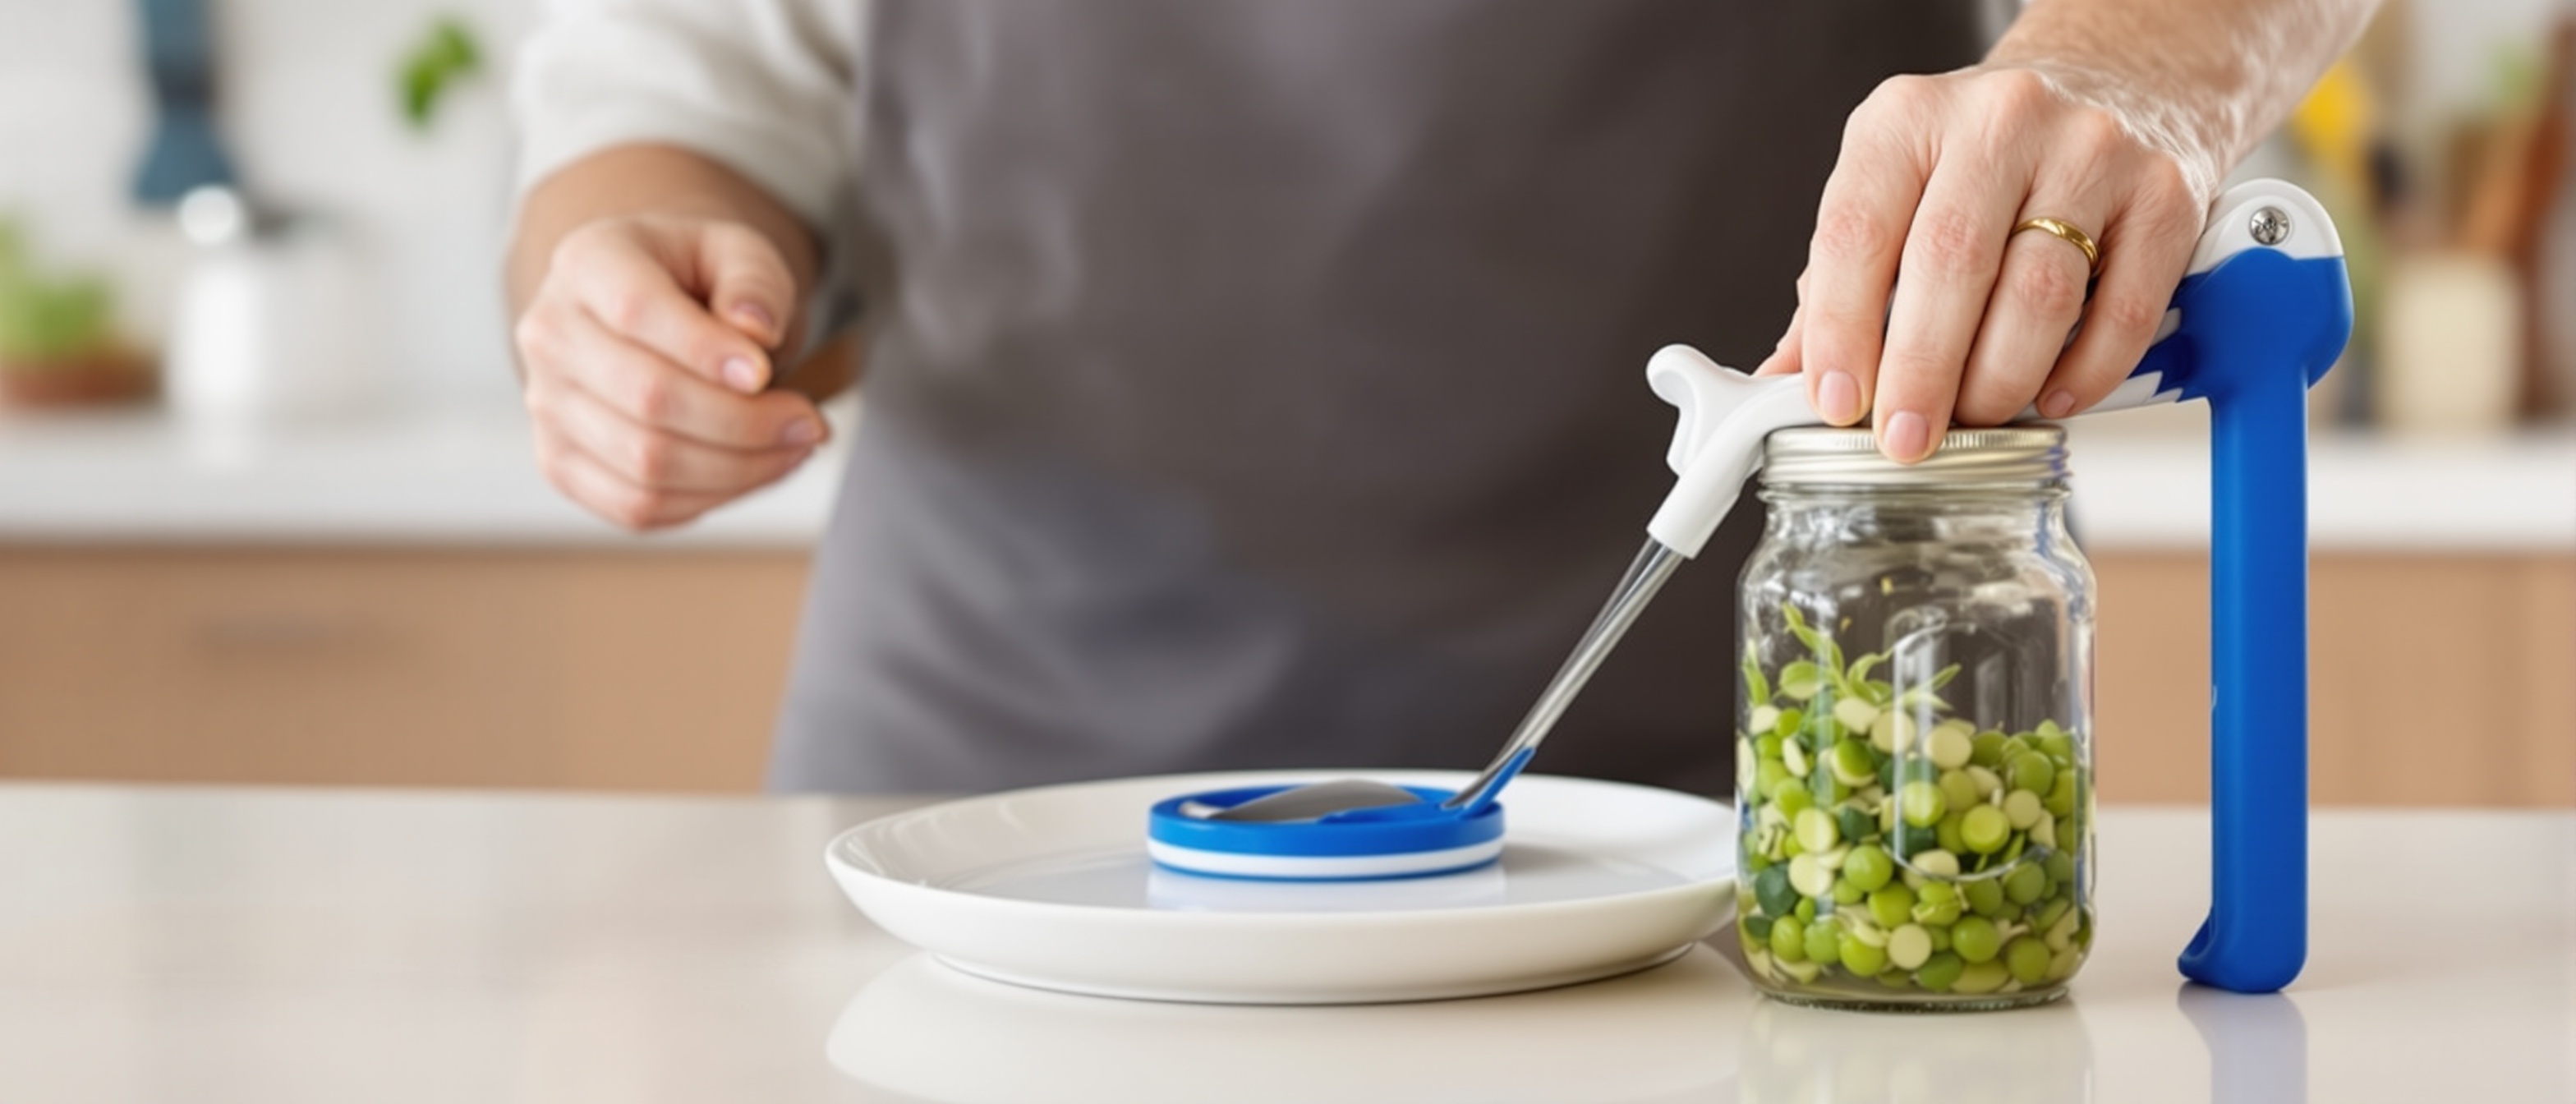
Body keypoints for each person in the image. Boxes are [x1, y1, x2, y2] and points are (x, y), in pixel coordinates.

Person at [507, 0, 2376, 794]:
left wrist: (2139, 63)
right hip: (991, 792)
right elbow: (670, 87)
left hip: (1756, 808)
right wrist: (629, 260)